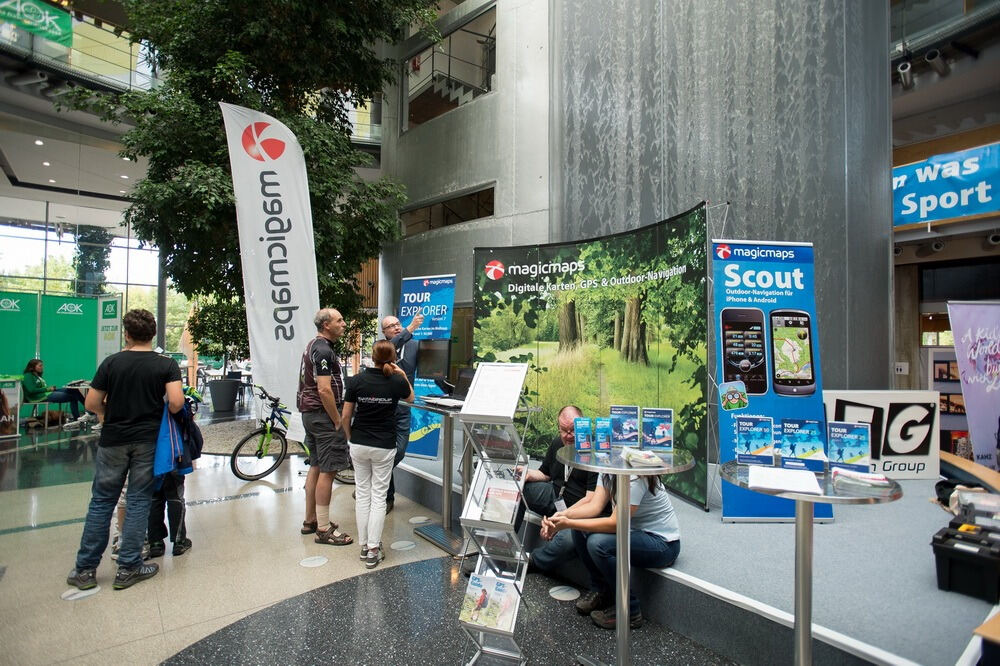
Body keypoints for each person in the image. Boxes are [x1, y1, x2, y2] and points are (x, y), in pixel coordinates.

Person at [66, 309, 184, 591]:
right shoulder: (165, 365)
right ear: (153, 334)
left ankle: (85, 569)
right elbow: (177, 402)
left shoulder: (111, 363)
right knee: (138, 500)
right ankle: (129, 567)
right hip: (147, 440)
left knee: (102, 501)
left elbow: (91, 403)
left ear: (127, 334)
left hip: (113, 440)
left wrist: (110, 413)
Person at [541, 469, 681, 630]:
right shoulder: (608, 467)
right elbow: (595, 506)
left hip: (662, 544)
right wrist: (560, 517)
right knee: (580, 530)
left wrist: (568, 523)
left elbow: (616, 523)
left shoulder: (635, 477)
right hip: (634, 533)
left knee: (598, 543)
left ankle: (630, 610)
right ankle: (601, 591)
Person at [342, 340, 414, 569]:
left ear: (372, 357)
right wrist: (401, 373)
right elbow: (410, 399)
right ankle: (374, 549)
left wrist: (349, 437)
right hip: (384, 445)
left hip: (359, 443)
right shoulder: (396, 381)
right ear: (393, 358)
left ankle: (364, 546)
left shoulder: (356, 381)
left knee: (363, 494)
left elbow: (346, 416)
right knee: (379, 496)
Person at [519, 405, 606, 574]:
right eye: (563, 430)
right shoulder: (558, 443)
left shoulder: (596, 450)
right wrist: (528, 475)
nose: (568, 436)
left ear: (583, 425)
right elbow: (545, 474)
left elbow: (591, 500)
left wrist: (558, 520)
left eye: (573, 430)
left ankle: (531, 562)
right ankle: (503, 544)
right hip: (556, 496)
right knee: (519, 491)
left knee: (569, 540)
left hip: (582, 510)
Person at [298, 308, 353, 546]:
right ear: (326, 325)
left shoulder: (314, 345)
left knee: (316, 466)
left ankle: (310, 520)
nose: (344, 323)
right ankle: (323, 529)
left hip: (311, 415)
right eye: (339, 320)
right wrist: (337, 419)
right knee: (328, 471)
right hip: (322, 416)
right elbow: (324, 389)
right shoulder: (322, 349)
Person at [380, 311, 423, 513]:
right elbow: (391, 347)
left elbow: (430, 367)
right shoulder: (382, 348)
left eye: (398, 324)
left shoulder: (414, 345)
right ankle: (387, 497)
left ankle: (376, 480)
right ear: (384, 332)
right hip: (384, 406)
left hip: (404, 406)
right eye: (391, 326)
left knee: (400, 451)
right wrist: (410, 328)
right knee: (386, 452)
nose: (397, 327)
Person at [22, 359, 90, 423]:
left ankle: (89, 409)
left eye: (42, 365)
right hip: (39, 397)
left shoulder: (37, 375)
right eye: (40, 366)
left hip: (45, 393)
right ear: (33, 367)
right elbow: (31, 390)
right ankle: (78, 418)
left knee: (74, 390)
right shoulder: (28, 376)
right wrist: (47, 389)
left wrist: (48, 389)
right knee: (73, 397)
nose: (42, 367)